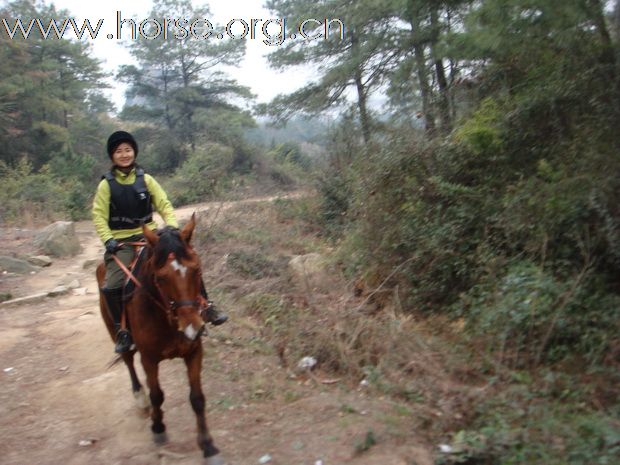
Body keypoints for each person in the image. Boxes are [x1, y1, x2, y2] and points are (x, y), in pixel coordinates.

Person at [92, 130, 228, 353]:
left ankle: (207, 307)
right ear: (112, 156)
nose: (124, 154)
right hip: (122, 243)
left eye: (128, 150)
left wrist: (172, 226)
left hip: (152, 237)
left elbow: (164, 204)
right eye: (119, 151)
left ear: (134, 152)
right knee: (113, 284)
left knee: (187, 264)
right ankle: (123, 331)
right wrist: (108, 240)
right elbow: (98, 215)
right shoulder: (106, 185)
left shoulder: (146, 179)